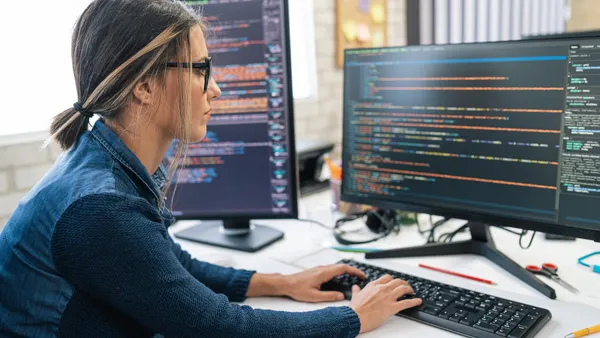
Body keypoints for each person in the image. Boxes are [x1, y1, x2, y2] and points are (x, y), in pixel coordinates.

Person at [0, 0, 421, 336]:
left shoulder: (100, 163)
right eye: (201, 69)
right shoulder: (99, 208)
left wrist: (282, 282)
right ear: (143, 86)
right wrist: (354, 317)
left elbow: (169, 264)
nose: (215, 88)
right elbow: (214, 326)